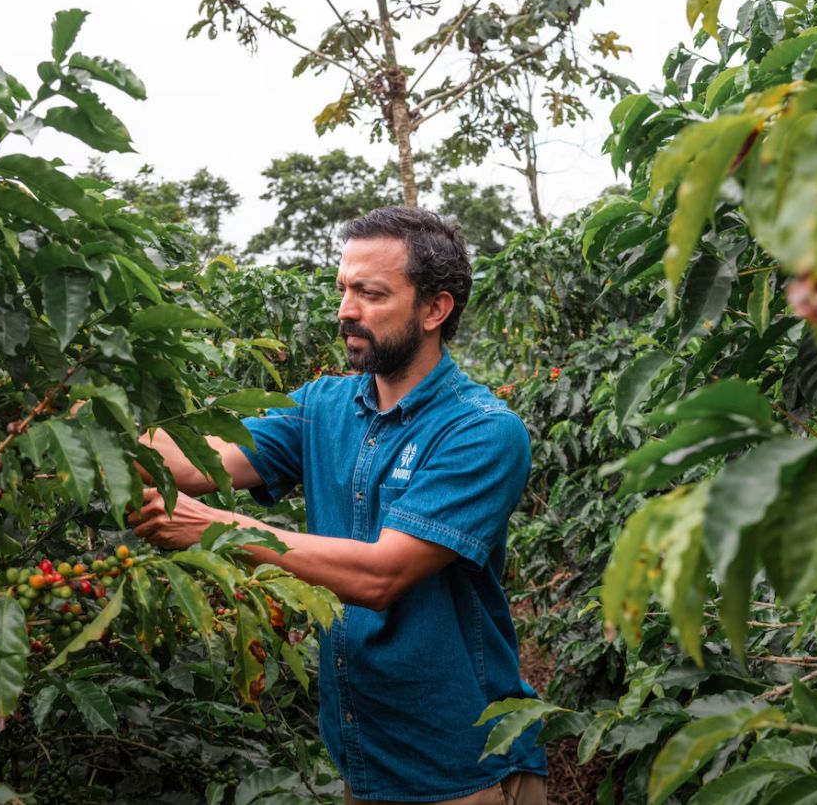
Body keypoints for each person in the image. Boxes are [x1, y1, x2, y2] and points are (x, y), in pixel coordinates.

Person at [129, 206, 547, 804]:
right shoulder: (322, 406)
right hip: (365, 756)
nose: (345, 310)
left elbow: (381, 575)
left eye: (370, 293)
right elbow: (197, 462)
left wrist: (214, 528)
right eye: (344, 289)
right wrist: (91, 422)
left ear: (435, 309)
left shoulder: (481, 431)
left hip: (463, 766)